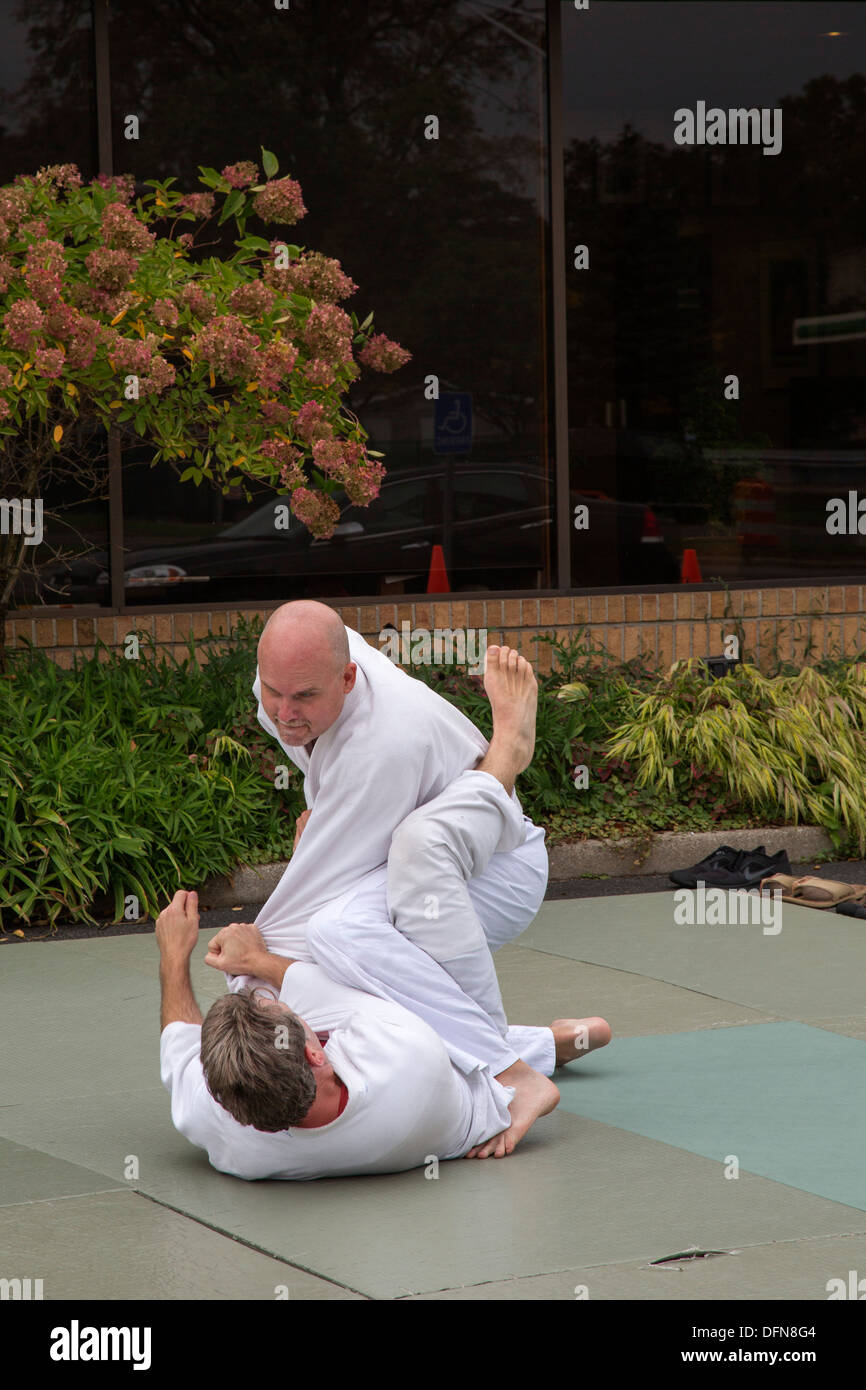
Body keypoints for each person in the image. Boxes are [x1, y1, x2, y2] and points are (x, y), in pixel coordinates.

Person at [157, 650, 611, 1177]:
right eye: (310, 1030)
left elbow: (180, 1047)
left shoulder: (222, 1125)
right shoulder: (402, 1058)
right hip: (463, 1070)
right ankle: (515, 1066)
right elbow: (365, 988)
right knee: (338, 929)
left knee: (270, 980)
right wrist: (248, 959)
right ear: (319, 1053)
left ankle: (543, 1044)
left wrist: (176, 961)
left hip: (395, 1067)